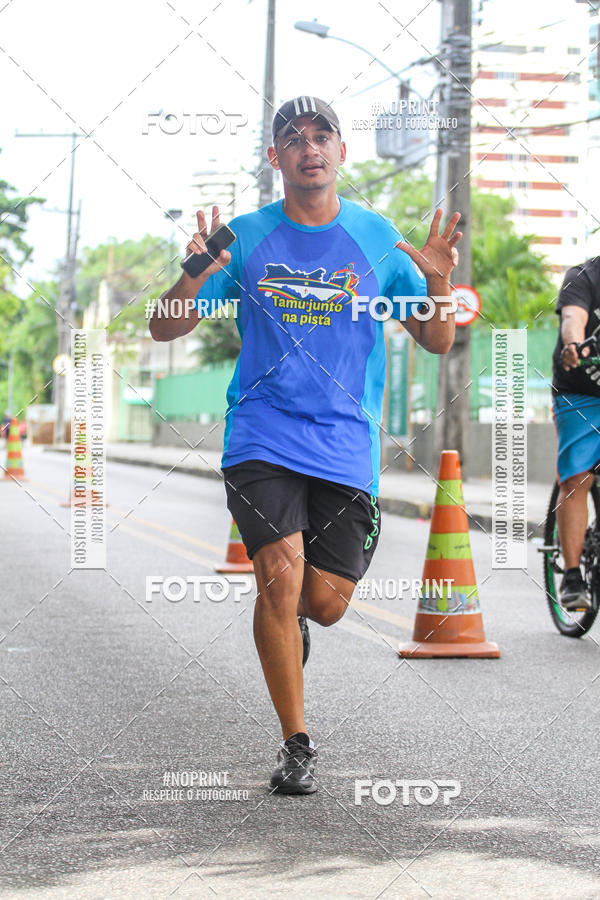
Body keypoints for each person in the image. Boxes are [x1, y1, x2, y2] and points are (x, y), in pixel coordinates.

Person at [150, 96, 461, 794]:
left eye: (322, 136)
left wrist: (437, 282)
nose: (309, 148)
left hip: (346, 442)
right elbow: (164, 329)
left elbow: (438, 340)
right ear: (275, 158)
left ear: (342, 152)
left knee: (322, 601)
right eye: (293, 139)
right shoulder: (245, 235)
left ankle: (295, 625)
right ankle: (297, 742)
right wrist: (193, 273)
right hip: (261, 431)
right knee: (279, 577)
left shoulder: (378, 238)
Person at [552, 257, 600, 611]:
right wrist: (574, 346)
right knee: (577, 478)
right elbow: (573, 320)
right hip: (580, 392)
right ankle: (571, 576)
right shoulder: (583, 276)